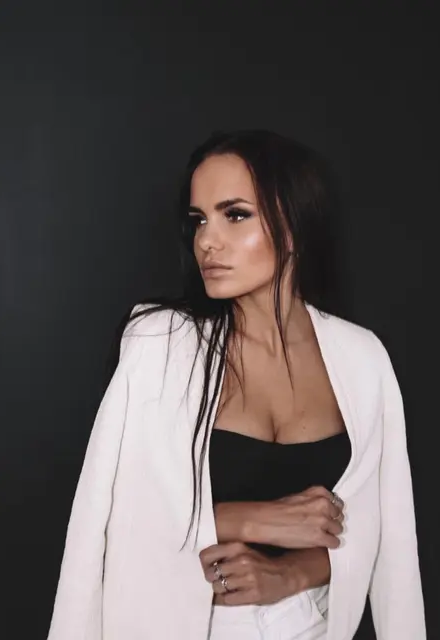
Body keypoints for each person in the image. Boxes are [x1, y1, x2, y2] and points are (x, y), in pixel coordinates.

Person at [47, 130, 425, 640]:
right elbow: (108, 519)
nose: (207, 240)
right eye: (199, 219)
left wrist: (292, 573)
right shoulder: (160, 343)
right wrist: (249, 520)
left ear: (293, 225)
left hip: (308, 623)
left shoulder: (362, 358)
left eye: (235, 215)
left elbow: (388, 536)